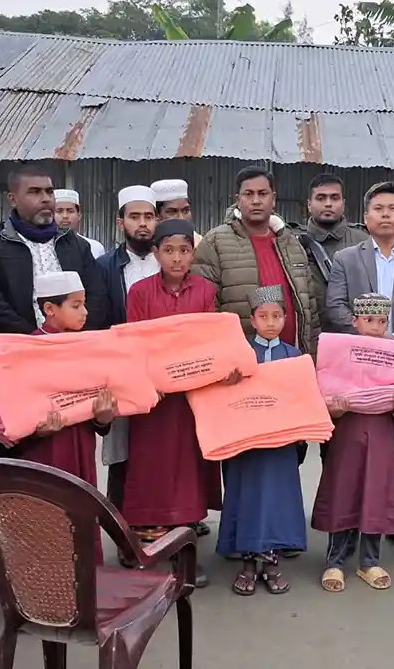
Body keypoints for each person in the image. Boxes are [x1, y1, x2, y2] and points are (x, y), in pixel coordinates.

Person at [324, 181, 394, 555]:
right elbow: (335, 306)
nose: (385, 214)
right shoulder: (346, 258)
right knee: (349, 453)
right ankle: (345, 528)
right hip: (355, 369)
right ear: (366, 216)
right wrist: (367, 341)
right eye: (378, 208)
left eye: (392, 208)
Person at [122, 219, 226, 589]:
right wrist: (155, 380)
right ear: (156, 253)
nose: (177, 258)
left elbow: (209, 340)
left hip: (192, 399)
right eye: (168, 250)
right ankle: (151, 548)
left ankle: (185, 552)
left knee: (188, 470)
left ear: (193, 253)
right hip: (154, 399)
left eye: (184, 250)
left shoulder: (206, 291)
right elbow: (135, 342)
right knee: (152, 468)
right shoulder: (140, 292)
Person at [312, 293, 394, 592]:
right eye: (369, 320)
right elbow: (324, 392)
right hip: (347, 434)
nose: (375, 328)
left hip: (381, 434)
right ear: (355, 321)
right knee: (344, 493)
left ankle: (369, 562)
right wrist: (334, 409)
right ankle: (335, 562)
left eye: (382, 321)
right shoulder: (340, 352)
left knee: (376, 494)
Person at [218, 285, 307, 596]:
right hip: (246, 444)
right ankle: (247, 563)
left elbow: (301, 397)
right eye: (263, 316)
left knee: (277, 500)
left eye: (277, 316)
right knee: (247, 497)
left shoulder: (294, 355)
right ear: (252, 320)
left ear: (285, 319)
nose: (270, 322)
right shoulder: (240, 356)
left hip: (281, 444)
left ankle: (271, 561)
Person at [0, 272, 115, 497]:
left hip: (81, 444)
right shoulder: (26, 350)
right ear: (50, 309)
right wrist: (36, 432)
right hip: (44, 452)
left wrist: (103, 419)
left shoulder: (87, 346)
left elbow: (97, 408)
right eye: (76, 306)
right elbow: (14, 414)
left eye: (84, 304)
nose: (85, 312)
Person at [0, 165, 108, 338]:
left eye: (49, 192)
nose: (46, 199)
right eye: (34, 192)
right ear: (13, 200)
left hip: (73, 344)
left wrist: (74, 335)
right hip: (18, 346)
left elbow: (97, 296)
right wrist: (34, 338)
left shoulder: (74, 244)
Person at [192, 166, 318, 351]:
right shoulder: (215, 242)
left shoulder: (292, 244)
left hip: (291, 358)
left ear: (273, 199)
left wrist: (311, 357)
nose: (256, 201)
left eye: (262, 194)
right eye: (249, 194)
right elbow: (205, 309)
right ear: (238, 200)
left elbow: (310, 311)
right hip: (239, 358)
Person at [96, 185, 160, 514]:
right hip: (121, 369)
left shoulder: (169, 261)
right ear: (120, 222)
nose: (142, 223)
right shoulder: (104, 266)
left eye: (148, 216)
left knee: (162, 448)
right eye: (135, 217)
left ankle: (168, 520)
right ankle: (122, 523)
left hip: (165, 370)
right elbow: (99, 321)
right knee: (123, 450)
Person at [297, 173, 369, 327]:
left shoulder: (363, 241)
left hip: (353, 331)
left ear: (343, 203)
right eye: (321, 198)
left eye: (334, 198)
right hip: (309, 331)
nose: (328, 204)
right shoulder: (293, 242)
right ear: (309, 204)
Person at [53, 189, 105, 258]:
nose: (65, 216)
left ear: (79, 215)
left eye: (70, 211)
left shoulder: (94, 247)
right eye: (59, 211)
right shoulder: (44, 248)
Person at [151, 179, 203, 247]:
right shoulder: (146, 244)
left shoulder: (200, 244)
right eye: (172, 212)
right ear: (157, 215)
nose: (181, 218)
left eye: (186, 211)